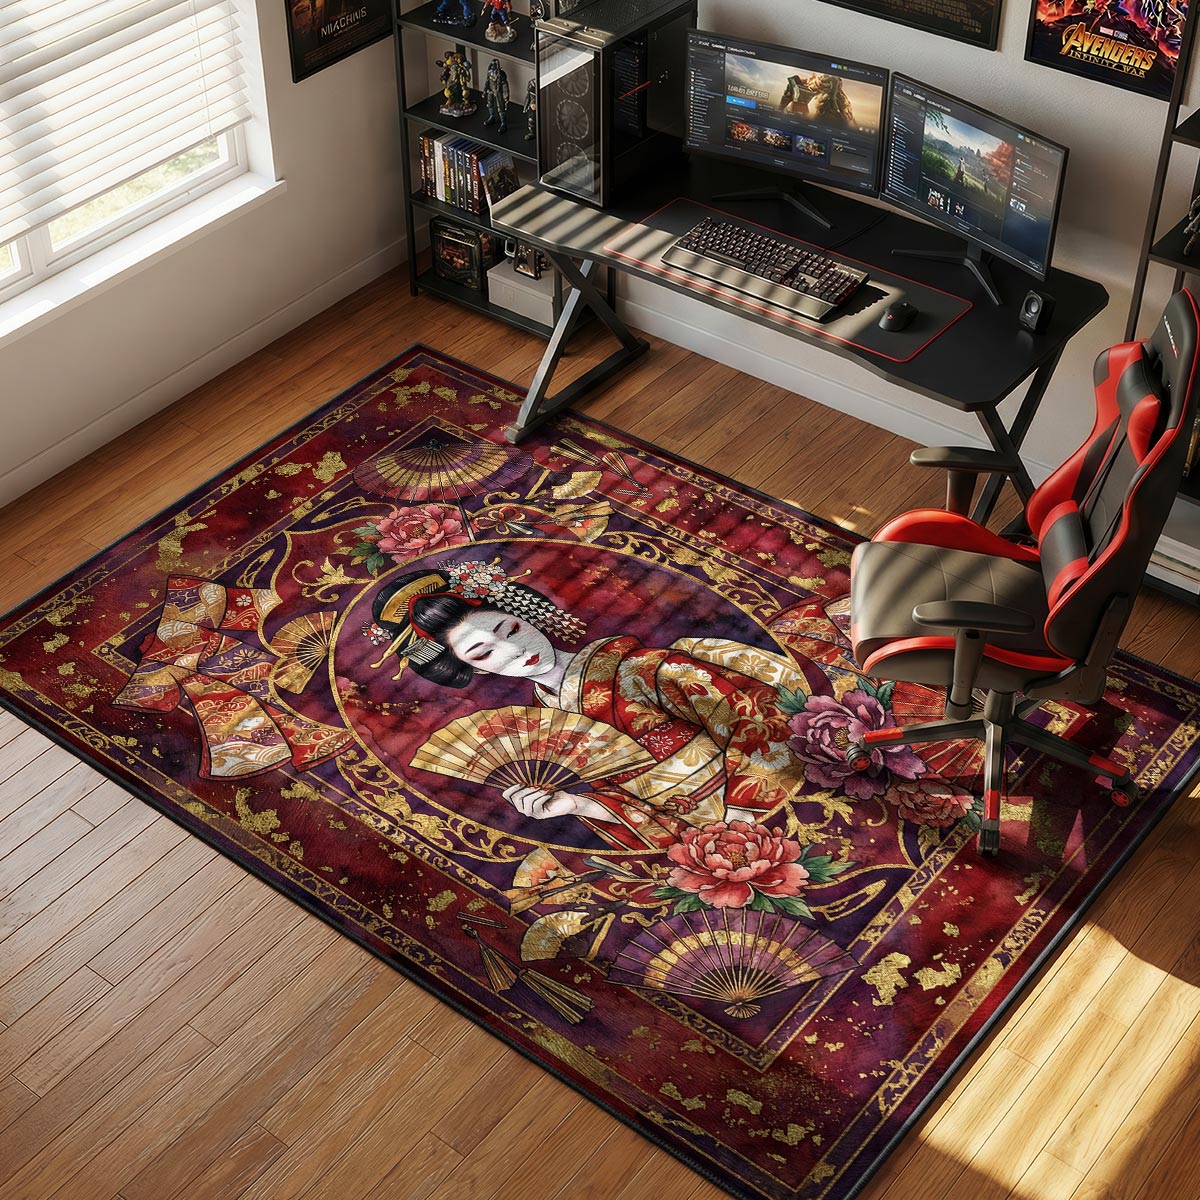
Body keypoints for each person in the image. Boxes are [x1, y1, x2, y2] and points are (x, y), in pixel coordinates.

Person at [366, 561, 808, 850]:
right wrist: (577, 807)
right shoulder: (545, 730)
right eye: (484, 652)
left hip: (756, 801)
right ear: (472, 670)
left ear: (524, 615)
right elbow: (635, 808)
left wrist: (742, 817)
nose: (515, 649)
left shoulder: (639, 669)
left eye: (510, 628)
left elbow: (748, 717)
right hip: (703, 840)